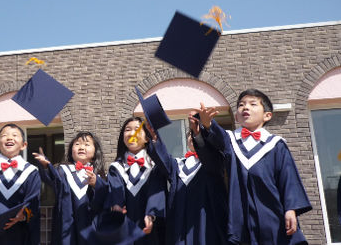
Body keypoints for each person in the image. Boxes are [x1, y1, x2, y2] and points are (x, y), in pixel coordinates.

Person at [198, 89, 312, 244]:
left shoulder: (276, 144)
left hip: (272, 214)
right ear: (237, 117)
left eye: (253, 104)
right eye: (241, 105)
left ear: (267, 115)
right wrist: (207, 123)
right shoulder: (230, 140)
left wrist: (291, 209)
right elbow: (217, 135)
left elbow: (288, 178)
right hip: (240, 217)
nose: (246, 107)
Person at [146, 113, 228, 245]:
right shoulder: (178, 164)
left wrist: (198, 135)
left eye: (197, 134)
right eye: (191, 134)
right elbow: (163, 160)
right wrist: (155, 137)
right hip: (179, 223)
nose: (193, 136)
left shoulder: (215, 160)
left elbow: (209, 157)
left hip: (206, 223)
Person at [33, 131, 108, 245]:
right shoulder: (62, 170)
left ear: (95, 152)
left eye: (87, 144)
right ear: (71, 150)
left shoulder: (100, 176)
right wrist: (46, 166)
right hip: (65, 228)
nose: (81, 147)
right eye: (77, 144)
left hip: (90, 228)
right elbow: (52, 179)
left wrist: (95, 184)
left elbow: (105, 200)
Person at [106, 117, 166, 245]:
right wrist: (116, 207)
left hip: (150, 228)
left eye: (137, 129)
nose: (132, 133)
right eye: (128, 130)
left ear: (146, 138)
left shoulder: (155, 166)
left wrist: (151, 214)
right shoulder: (116, 168)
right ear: (123, 137)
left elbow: (156, 190)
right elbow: (116, 190)